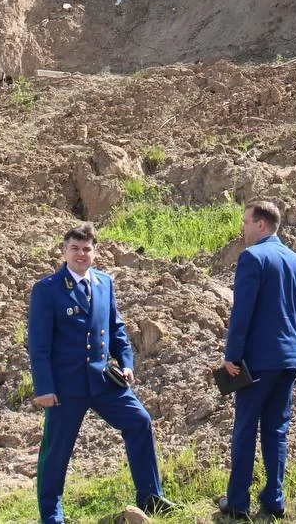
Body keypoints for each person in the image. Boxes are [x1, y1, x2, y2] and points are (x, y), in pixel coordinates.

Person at [27, 223, 176, 524]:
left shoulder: (104, 282)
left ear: (95, 252)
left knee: (139, 421)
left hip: (103, 379)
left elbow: (116, 328)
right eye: (75, 248)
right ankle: (51, 515)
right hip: (66, 386)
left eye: (87, 249)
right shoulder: (47, 289)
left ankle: (150, 496)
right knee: (56, 451)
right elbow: (39, 344)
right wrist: (44, 387)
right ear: (64, 251)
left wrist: (127, 363)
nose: (81, 254)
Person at [218, 201, 296, 522]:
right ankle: (274, 499)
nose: (242, 228)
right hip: (289, 359)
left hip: (258, 360)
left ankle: (237, 503)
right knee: (276, 429)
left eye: (245, 222)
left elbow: (242, 312)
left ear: (261, 224)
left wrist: (232, 356)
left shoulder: (252, 257)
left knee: (245, 429)